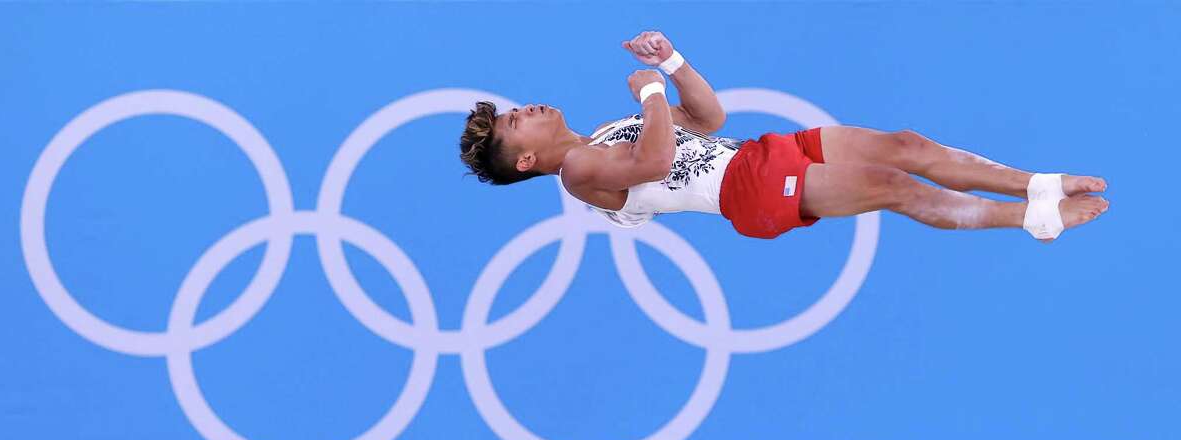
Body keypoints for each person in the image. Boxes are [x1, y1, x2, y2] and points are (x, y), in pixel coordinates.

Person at [459, 30, 1108, 243]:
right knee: (893, 187)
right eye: (520, 120)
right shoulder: (578, 175)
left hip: (759, 154)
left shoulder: (606, 134)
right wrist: (651, 91)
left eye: (520, 108)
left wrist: (673, 64)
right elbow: (656, 159)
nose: (531, 108)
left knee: (905, 145)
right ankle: (1031, 219)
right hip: (747, 192)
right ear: (526, 159)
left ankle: (1039, 182)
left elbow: (710, 120)